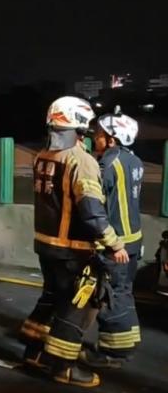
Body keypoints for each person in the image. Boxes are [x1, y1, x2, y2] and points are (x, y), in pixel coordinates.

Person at [21, 96, 128, 388]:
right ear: (80, 123)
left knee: (51, 298)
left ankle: (34, 353)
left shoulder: (42, 156)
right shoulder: (80, 161)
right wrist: (115, 244)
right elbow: (92, 212)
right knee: (80, 305)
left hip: (46, 245)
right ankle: (63, 366)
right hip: (74, 249)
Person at [80, 111, 143, 368]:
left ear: (112, 140)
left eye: (99, 136)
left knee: (111, 296)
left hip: (116, 244)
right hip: (134, 241)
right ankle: (125, 344)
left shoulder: (107, 164)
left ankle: (112, 354)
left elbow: (94, 202)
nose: (95, 139)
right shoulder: (135, 161)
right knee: (124, 292)